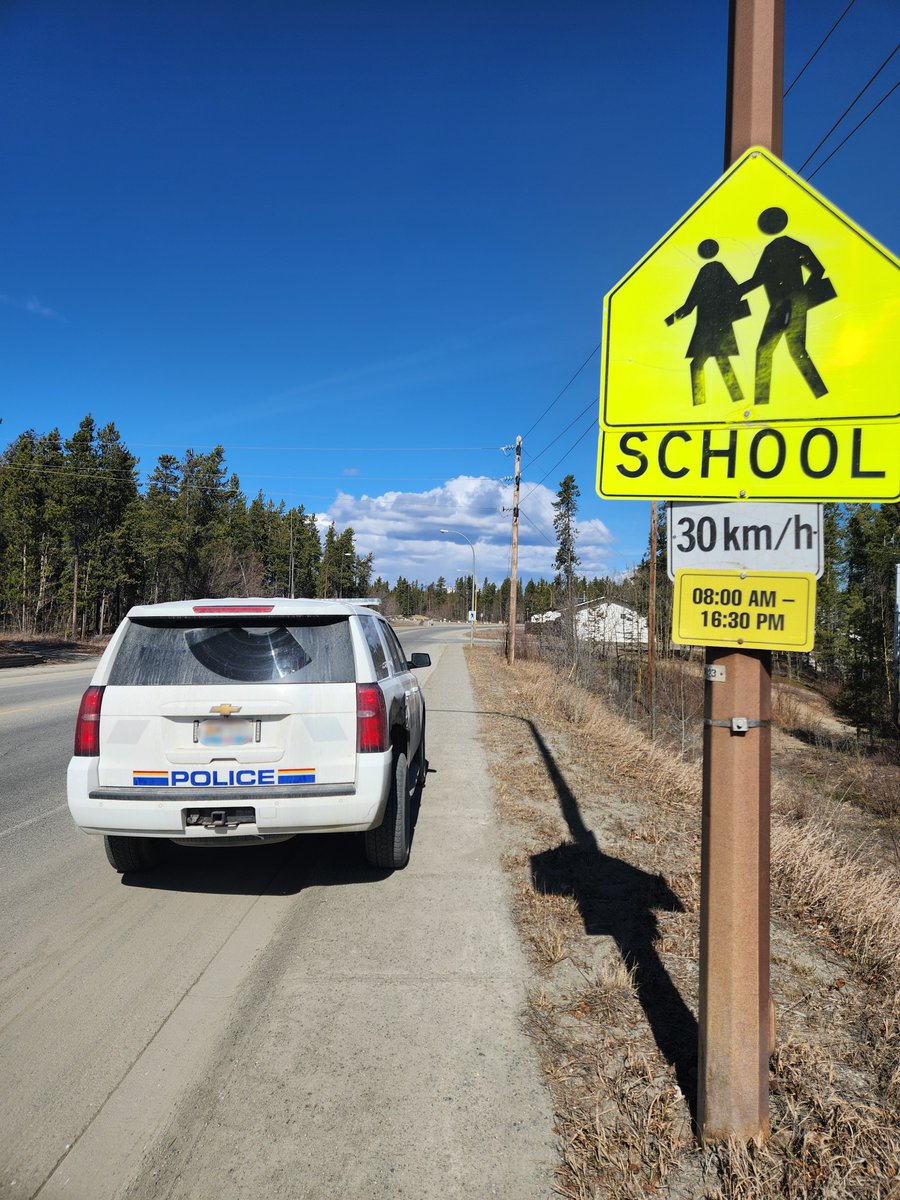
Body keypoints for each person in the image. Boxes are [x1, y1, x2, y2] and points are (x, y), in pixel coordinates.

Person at [740, 206, 833, 405]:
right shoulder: (772, 248)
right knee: (785, 350)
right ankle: (765, 401)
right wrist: (734, 293)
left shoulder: (790, 245)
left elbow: (818, 269)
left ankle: (765, 401)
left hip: (790, 303)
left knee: (785, 350)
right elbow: (759, 279)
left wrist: (804, 295)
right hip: (781, 305)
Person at [665, 239, 749, 406]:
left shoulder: (712, 270)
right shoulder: (711, 270)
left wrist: (667, 322)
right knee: (717, 362)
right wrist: (667, 322)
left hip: (710, 327)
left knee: (700, 364)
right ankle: (736, 399)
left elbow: (690, 306)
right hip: (713, 326)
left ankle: (704, 403)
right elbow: (690, 306)